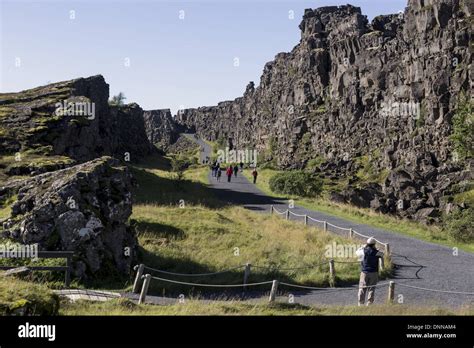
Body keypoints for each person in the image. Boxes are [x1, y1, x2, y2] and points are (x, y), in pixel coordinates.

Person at [356, 237, 384, 306]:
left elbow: (357, 253)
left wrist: (362, 247)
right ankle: (369, 303)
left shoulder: (363, 251)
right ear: (374, 244)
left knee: (362, 288)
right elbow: (382, 254)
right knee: (372, 288)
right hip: (374, 272)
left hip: (364, 272)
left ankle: (361, 303)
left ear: (367, 244)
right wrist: (377, 249)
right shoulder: (377, 252)